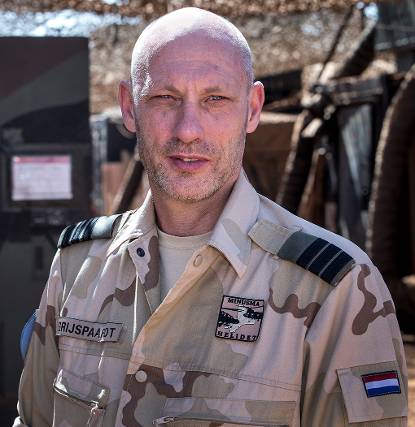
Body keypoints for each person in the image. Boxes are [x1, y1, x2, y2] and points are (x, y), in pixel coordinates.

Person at [14, 7, 408, 427]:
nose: (188, 129)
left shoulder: (334, 288)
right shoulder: (78, 266)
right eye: (164, 98)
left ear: (252, 109)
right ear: (129, 108)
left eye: (215, 99)